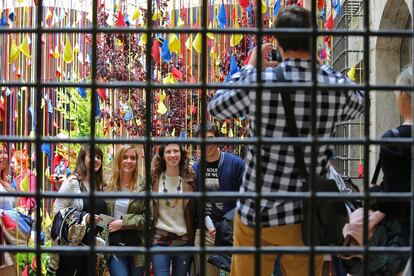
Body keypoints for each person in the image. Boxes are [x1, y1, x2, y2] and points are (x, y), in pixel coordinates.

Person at [208, 6, 365, 276]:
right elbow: (360, 103)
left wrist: (249, 68)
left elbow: (217, 107)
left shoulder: (260, 81)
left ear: (277, 44)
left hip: (257, 212)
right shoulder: (329, 83)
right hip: (305, 217)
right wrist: (320, 67)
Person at [369, 65, 412, 273]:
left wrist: (373, 194)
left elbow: (394, 200)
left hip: (403, 238)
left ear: (403, 96)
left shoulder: (395, 139)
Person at [192, 122, 245, 275]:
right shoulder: (195, 169)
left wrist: (226, 226)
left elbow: (247, 198)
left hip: (233, 233)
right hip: (206, 234)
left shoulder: (236, 164)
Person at [50, 144, 107, 276]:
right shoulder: (72, 182)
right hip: (72, 248)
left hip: (92, 248)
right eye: (92, 156)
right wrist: (84, 217)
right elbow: (58, 213)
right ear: (83, 159)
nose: (96, 160)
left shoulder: (100, 185)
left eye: (99, 157)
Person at [151, 144, 195, 276]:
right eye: (168, 152)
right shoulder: (154, 178)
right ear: (163, 156)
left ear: (181, 154)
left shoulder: (191, 178)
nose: (172, 155)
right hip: (159, 240)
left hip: (184, 240)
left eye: (176, 151)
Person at [105, 144, 150, 276]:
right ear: (119, 159)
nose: (129, 161)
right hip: (114, 244)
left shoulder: (143, 187)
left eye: (133, 158)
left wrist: (123, 223)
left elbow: (149, 218)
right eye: (125, 157)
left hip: (137, 246)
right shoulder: (108, 185)